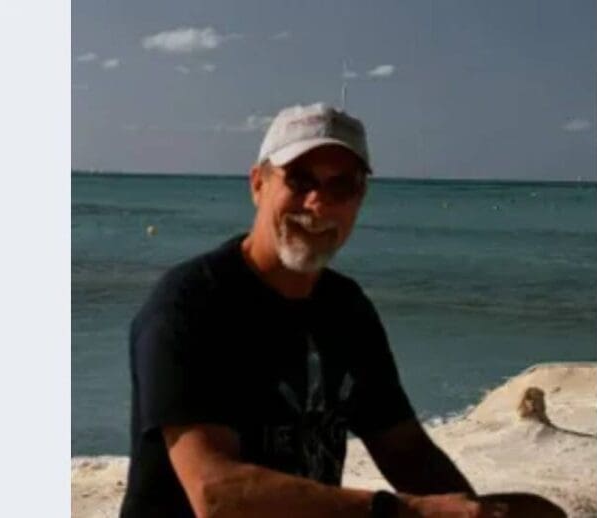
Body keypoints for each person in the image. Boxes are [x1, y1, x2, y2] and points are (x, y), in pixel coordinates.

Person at [119, 103, 565, 518]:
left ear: (360, 197)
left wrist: (473, 511)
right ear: (258, 184)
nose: (318, 203)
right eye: (300, 180)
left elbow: (406, 450)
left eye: (341, 185)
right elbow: (216, 493)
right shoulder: (192, 304)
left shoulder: (346, 309)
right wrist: (407, 512)